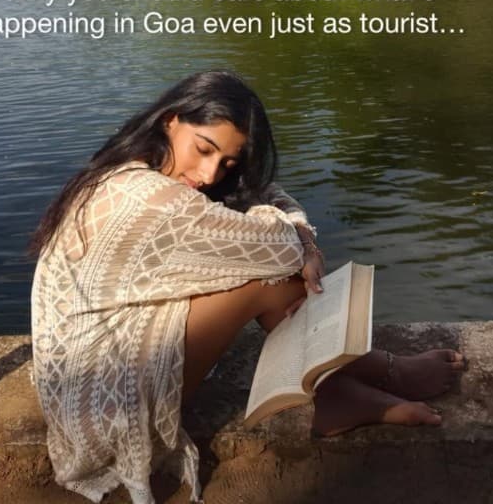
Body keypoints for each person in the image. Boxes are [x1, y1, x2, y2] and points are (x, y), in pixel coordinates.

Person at [30, 71, 464, 504]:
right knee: (271, 278)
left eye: (228, 163)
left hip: (102, 356)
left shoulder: (141, 166)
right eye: (203, 149)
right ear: (172, 120)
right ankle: (367, 376)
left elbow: (268, 194)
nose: (208, 173)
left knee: (262, 259)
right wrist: (304, 245)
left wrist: (301, 238)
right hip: (96, 399)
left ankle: (340, 389)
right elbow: (279, 249)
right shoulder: (147, 197)